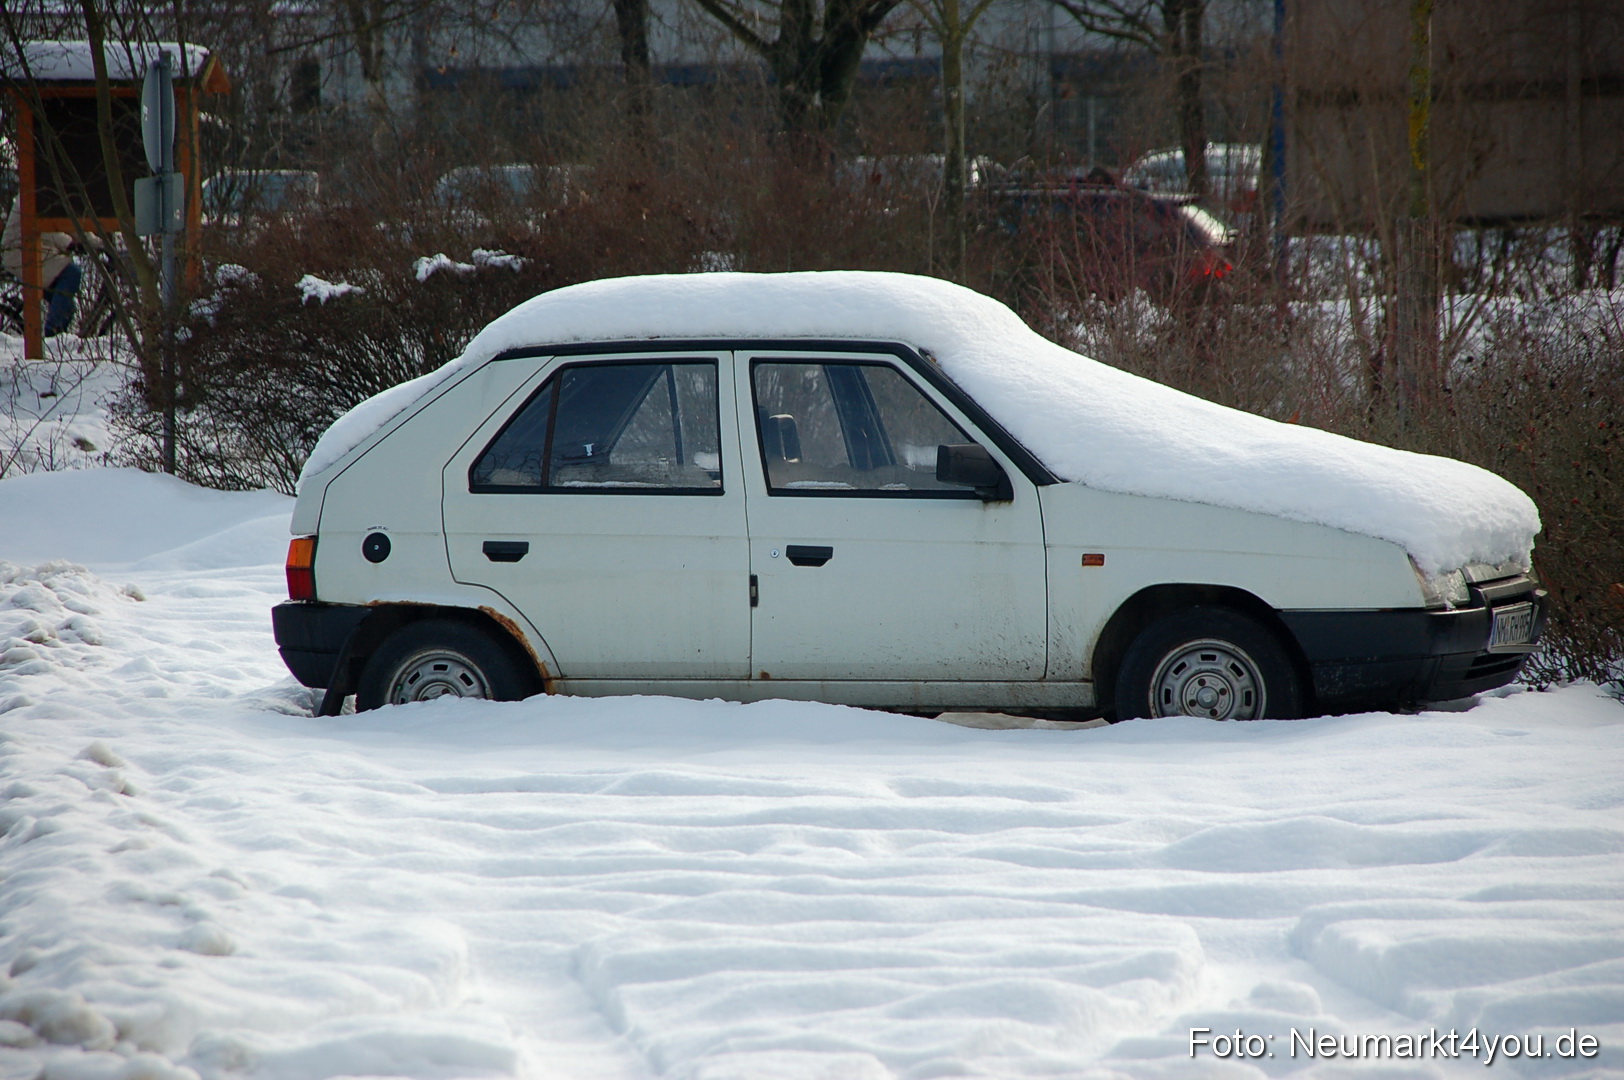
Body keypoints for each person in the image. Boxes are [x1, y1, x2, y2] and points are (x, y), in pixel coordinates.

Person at [2, 198, 93, 337]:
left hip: (35, 250)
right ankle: (53, 332)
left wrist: (98, 243)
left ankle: (58, 336)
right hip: (20, 252)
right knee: (71, 273)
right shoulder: (32, 196)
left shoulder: (51, 194)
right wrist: (70, 243)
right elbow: (44, 228)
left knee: (67, 306)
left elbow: (71, 225)